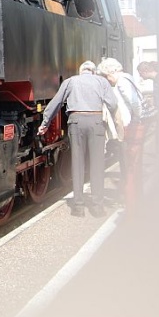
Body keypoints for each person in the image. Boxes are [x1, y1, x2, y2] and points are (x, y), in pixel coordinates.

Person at [38, 60, 118, 218]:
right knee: (97, 163)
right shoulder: (101, 81)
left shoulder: (70, 81)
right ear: (93, 71)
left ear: (81, 71)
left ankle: (79, 207)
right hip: (96, 121)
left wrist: (45, 123)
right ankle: (97, 207)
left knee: (78, 163)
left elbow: (56, 102)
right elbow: (113, 104)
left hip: (75, 122)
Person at [98, 58, 149, 211]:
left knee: (128, 163)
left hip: (129, 127)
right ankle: (133, 197)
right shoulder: (128, 78)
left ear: (112, 72)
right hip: (131, 125)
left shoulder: (121, 82)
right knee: (131, 163)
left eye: (107, 76)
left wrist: (137, 120)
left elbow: (134, 104)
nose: (108, 80)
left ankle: (131, 200)